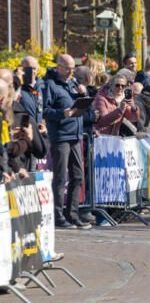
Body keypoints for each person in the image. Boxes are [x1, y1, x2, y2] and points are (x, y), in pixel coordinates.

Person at [43, 53, 94, 230]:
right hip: (60, 136)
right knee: (60, 177)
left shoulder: (73, 83)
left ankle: (72, 214)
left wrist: (84, 94)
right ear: (58, 67)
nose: (70, 72)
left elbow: (82, 107)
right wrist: (61, 114)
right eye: (67, 68)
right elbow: (45, 111)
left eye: (73, 68)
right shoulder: (50, 85)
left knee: (78, 176)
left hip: (76, 135)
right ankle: (57, 216)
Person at [16, 55, 44, 126]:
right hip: (22, 128)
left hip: (37, 129)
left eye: (34, 68)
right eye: (28, 68)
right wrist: (17, 82)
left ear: (38, 70)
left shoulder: (42, 86)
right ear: (21, 69)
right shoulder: (17, 86)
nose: (32, 71)